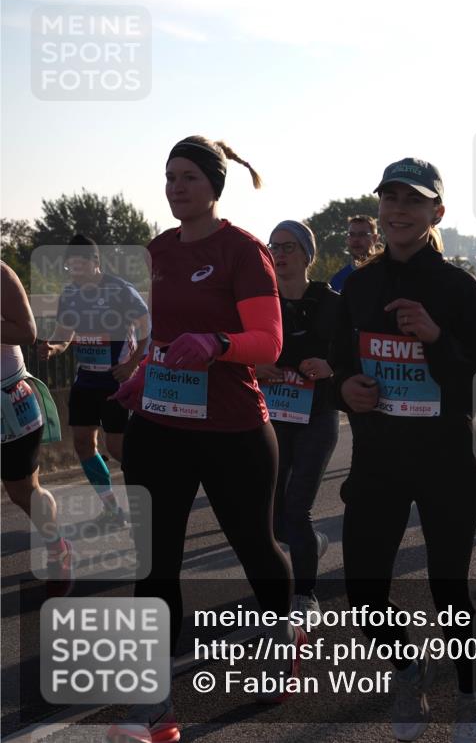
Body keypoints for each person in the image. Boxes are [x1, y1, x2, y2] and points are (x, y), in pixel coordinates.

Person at [106, 136, 301, 743]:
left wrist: (217, 344)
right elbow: (164, 335)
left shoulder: (242, 250)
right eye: (168, 177)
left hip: (233, 427)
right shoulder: (159, 250)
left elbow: (268, 344)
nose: (175, 187)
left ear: (214, 186)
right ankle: (156, 706)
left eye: (188, 176)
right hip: (162, 424)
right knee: (154, 564)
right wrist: (142, 376)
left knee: (256, 548)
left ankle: (283, 635)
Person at [331, 158, 476, 742]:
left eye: (413, 200)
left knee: (449, 589)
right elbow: (336, 365)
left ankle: (473, 696)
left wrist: (436, 339)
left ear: (436, 213)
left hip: (447, 459)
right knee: (364, 594)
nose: (398, 208)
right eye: (390, 197)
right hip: (379, 459)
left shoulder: (457, 286)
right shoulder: (359, 286)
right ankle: (407, 664)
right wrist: (344, 388)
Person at [36, 234, 149, 528]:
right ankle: (112, 508)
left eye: (81, 263)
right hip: (86, 380)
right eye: (70, 265)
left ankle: (153, 497)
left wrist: (132, 365)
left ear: (95, 262)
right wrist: (54, 347)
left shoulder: (120, 290)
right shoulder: (70, 294)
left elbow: (147, 330)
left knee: (118, 447)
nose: (75, 270)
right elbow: (65, 332)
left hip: (117, 380)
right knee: (84, 444)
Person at [256, 220, 340, 619]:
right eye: (274, 246)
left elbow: (354, 356)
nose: (280, 253)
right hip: (273, 417)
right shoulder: (260, 304)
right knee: (273, 521)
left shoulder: (332, 303)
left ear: (308, 254)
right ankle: (313, 542)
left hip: (317, 417)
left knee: (296, 509)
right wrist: (257, 365)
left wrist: (330, 364)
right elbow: (241, 352)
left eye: (289, 246)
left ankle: (305, 596)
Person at [1, 262, 71, 597]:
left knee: (23, 491)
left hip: (9, 401)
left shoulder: (1, 274)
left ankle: (58, 549)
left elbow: (27, 332)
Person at [329, 214, 381, 293]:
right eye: (351, 235)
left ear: (375, 239)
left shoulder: (388, 273)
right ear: (347, 239)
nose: (356, 239)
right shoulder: (338, 280)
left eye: (362, 234)